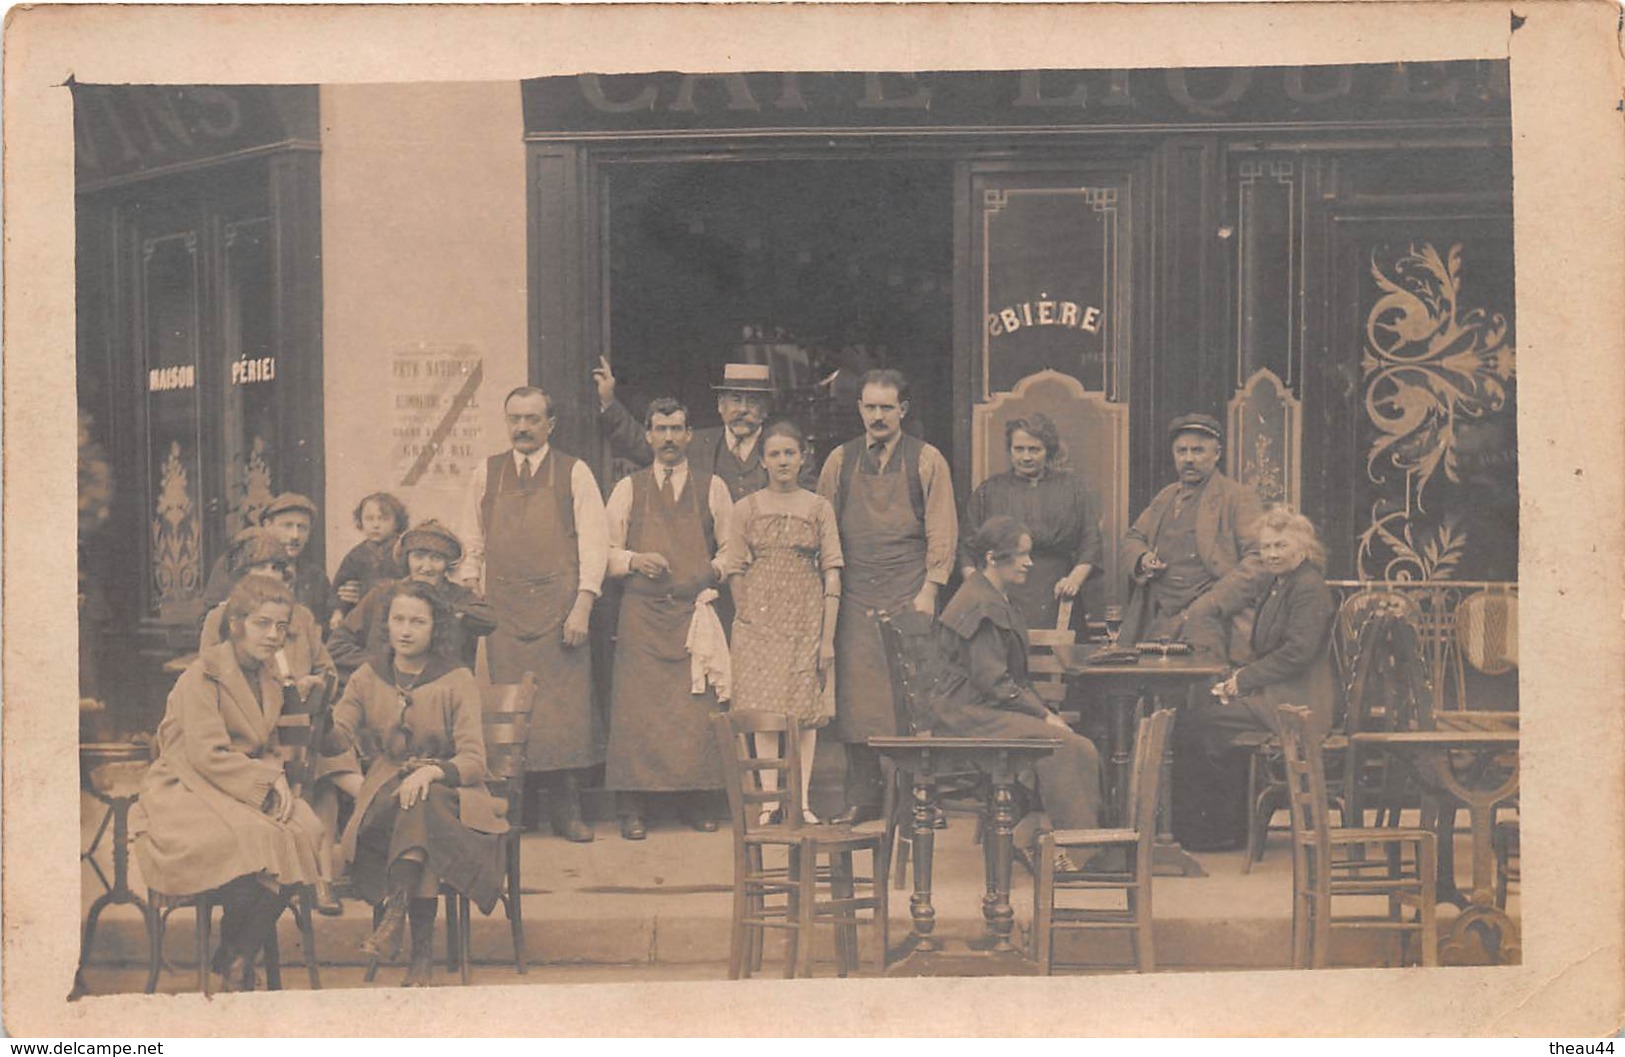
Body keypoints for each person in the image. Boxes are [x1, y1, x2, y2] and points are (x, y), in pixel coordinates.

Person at [133, 576, 324, 992]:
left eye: (281, 627)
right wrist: (267, 780)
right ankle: (238, 959)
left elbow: (268, 743)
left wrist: (277, 777)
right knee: (254, 838)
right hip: (187, 785)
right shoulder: (201, 676)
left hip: (240, 786)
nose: (273, 636)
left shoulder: (269, 677)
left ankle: (235, 951)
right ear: (236, 624)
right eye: (262, 624)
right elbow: (206, 753)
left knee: (306, 828)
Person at [323, 580, 509, 986]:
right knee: (415, 811)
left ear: (436, 628)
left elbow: (474, 761)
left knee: (423, 805)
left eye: (418, 622)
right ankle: (420, 953)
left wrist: (429, 771)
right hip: (385, 805)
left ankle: (398, 920)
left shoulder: (455, 678)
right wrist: (323, 722)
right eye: (398, 620)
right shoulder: (367, 676)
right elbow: (337, 737)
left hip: (451, 796)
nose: (405, 630)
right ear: (386, 625)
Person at [458, 385, 608, 842]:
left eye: (531, 419)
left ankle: (567, 809)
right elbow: (472, 543)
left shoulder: (574, 472)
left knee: (563, 715)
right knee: (511, 712)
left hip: (559, 613)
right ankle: (517, 810)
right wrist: (472, 592)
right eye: (514, 419)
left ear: (550, 424)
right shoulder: (487, 473)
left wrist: (583, 604)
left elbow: (594, 544)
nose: (522, 428)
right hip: (505, 614)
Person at [817, 368, 958, 826]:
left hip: (908, 593)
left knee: (914, 699)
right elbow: (823, 530)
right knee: (857, 700)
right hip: (855, 595)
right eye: (869, 406)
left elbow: (942, 529)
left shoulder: (927, 460)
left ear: (903, 410)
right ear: (859, 408)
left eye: (886, 407)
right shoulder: (839, 460)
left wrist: (931, 590)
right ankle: (864, 797)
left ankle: (921, 799)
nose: (877, 416)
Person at [933, 516, 1104, 869]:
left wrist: (1044, 716)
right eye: (1022, 555)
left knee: (1077, 745)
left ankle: (1069, 845)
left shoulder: (991, 595)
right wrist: (1044, 715)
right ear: (994, 557)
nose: (1030, 563)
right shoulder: (981, 603)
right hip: (967, 715)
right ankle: (1076, 855)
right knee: (1062, 745)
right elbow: (994, 682)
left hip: (983, 710)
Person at [199, 529, 352, 915]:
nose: (270, 575)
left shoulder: (300, 617)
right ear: (240, 575)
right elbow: (213, 676)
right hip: (251, 730)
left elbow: (327, 668)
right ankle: (290, 872)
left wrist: (317, 682)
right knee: (302, 775)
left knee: (325, 775)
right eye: (259, 568)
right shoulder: (222, 618)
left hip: (303, 722)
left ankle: (323, 879)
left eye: (277, 568)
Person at [602, 398, 734, 839]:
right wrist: (635, 560)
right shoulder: (628, 488)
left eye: (677, 429)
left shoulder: (711, 486)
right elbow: (603, 552)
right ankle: (633, 808)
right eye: (661, 429)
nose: (670, 438)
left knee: (696, 710)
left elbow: (734, 549)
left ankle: (697, 801)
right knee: (637, 712)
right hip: (641, 616)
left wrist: (713, 571)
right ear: (648, 435)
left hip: (692, 616)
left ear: (690, 435)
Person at [1175, 507, 1337, 849]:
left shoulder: (1308, 587)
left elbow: (1297, 653)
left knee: (1200, 721)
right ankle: (1227, 825)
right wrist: (1237, 679)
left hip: (1299, 701)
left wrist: (1243, 680)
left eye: (1280, 546)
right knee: (1204, 711)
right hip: (1280, 693)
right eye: (1266, 547)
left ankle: (1214, 832)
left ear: (1303, 548)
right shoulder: (1282, 584)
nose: (1272, 554)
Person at [726, 420, 842, 824]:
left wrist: (826, 638)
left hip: (807, 618)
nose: (782, 461)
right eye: (774, 454)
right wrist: (748, 616)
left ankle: (801, 801)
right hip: (759, 622)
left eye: (789, 453)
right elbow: (735, 569)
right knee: (763, 708)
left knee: (804, 710)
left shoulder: (818, 507)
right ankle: (770, 801)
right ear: (762, 461)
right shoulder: (745, 509)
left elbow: (832, 571)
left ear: (803, 457)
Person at [1119, 413, 1267, 659]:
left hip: (1210, 619)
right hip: (1159, 615)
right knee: (1153, 688)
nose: (1188, 459)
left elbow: (1258, 560)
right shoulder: (1165, 497)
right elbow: (1133, 537)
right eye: (1181, 451)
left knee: (1202, 689)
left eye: (1198, 451)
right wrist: (1143, 557)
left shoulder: (1237, 497)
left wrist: (1210, 604)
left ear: (1216, 454)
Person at [593, 358, 816, 500]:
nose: (743, 409)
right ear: (721, 405)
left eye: (753, 401)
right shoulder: (697, 443)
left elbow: (805, 502)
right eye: (736, 400)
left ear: (766, 409)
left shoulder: (785, 450)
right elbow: (647, 446)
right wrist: (609, 403)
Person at [961, 413, 1103, 631]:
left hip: (1059, 591)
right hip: (1003, 593)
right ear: (1010, 450)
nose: (1026, 457)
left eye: (1034, 449)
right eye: (1019, 449)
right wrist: (983, 590)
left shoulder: (1072, 488)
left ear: (1049, 451)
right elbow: (966, 547)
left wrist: (1074, 580)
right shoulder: (989, 491)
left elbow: (1090, 541)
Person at [328, 519, 497, 677]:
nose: (426, 567)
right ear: (406, 559)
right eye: (418, 556)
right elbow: (337, 646)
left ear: (447, 564)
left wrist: (449, 609)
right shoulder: (382, 594)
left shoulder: (459, 597)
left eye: (436, 558)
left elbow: (488, 621)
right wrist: (382, 667)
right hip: (386, 690)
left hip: (441, 693)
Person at [201, 492, 333, 629]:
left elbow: (324, 630)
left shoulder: (315, 577)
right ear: (267, 525)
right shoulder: (234, 563)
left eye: (302, 528)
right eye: (287, 526)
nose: (295, 536)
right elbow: (208, 623)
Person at [331, 492, 410, 627]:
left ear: (397, 523)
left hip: (399, 617)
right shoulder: (356, 555)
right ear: (360, 522)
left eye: (383, 519)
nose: (376, 525)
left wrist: (365, 589)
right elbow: (341, 587)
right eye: (369, 519)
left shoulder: (405, 552)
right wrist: (338, 612)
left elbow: (409, 585)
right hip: (364, 618)